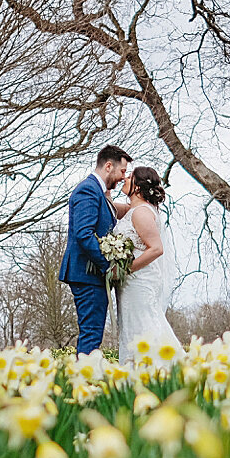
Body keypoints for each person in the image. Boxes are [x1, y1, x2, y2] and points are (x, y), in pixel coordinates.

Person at [59, 145, 132, 355]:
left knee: (93, 333)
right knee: (91, 333)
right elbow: (84, 234)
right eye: (122, 171)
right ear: (109, 166)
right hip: (87, 274)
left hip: (90, 275)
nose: (122, 177)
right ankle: (82, 384)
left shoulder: (99, 192)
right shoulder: (88, 189)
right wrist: (109, 265)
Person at [111, 166, 182, 360]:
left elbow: (157, 248)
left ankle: (159, 369)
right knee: (134, 326)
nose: (125, 178)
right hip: (133, 282)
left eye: (130, 177)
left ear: (138, 186)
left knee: (143, 324)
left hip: (139, 280)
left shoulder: (141, 213)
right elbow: (109, 205)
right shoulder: (133, 210)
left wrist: (125, 269)